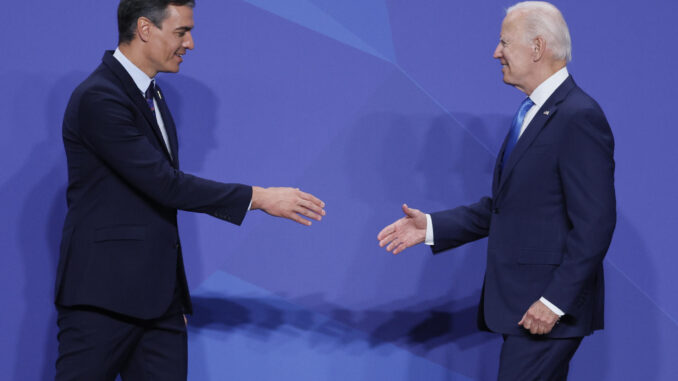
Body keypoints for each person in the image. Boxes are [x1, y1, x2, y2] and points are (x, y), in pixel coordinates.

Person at [55, 1, 326, 379]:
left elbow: (154, 208)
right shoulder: (99, 98)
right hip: (103, 300)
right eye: (182, 32)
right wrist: (260, 198)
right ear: (146, 29)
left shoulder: (153, 96)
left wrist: (173, 295)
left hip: (158, 304)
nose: (191, 44)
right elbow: (164, 185)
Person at [377, 2, 616, 379]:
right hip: (526, 307)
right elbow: (508, 206)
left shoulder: (578, 115)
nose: (496, 52)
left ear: (537, 48)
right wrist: (432, 227)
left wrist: (554, 302)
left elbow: (596, 222)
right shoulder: (535, 111)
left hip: (545, 307)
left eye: (504, 42)